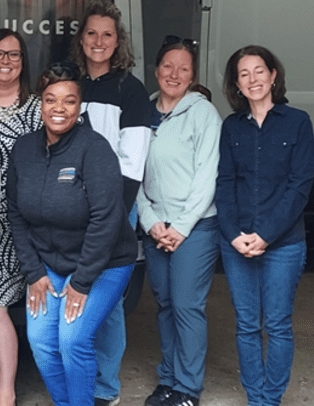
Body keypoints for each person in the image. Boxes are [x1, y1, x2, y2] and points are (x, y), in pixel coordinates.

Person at [8, 62, 137, 406]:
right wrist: (34, 273)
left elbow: (106, 219)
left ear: (79, 105)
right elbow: (16, 214)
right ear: (41, 103)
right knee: (40, 341)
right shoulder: (24, 149)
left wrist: (81, 282)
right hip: (50, 262)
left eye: (68, 100)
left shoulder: (94, 149)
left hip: (105, 262)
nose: (59, 109)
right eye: (51, 100)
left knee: (73, 339)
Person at [215, 45, 314, 406]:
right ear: (236, 85)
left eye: (259, 71)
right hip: (237, 241)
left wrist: (266, 235)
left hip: (283, 245)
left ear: (274, 75)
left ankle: (268, 399)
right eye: (244, 74)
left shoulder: (298, 123)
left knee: (277, 325)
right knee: (246, 325)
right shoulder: (231, 127)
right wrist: (233, 235)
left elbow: (300, 185)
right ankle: (256, 396)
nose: (253, 79)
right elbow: (223, 184)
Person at [70, 0, 150, 406]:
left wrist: (112, 216)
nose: (98, 41)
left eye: (107, 34)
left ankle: (105, 388)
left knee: (107, 301)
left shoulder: (130, 91)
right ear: (81, 39)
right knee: (72, 293)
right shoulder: (70, 87)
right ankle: (76, 377)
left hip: (115, 207)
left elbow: (132, 164)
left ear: (118, 42)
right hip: (71, 210)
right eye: (91, 33)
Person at [136, 37, 222, 406]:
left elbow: (207, 177)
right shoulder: (144, 111)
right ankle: (168, 380)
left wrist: (181, 228)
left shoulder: (203, 114)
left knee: (187, 306)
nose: (174, 74)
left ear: (192, 76)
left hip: (196, 228)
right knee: (166, 305)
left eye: (183, 68)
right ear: (156, 70)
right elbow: (131, 173)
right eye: (168, 66)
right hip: (157, 225)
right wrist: (151, 220)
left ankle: (187, 389)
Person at [0, 28, 42, 406]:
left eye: (14, 55)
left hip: (19, 223)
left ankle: (7, 394)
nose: (5, 60)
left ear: (23, 62)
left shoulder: (36, 108)